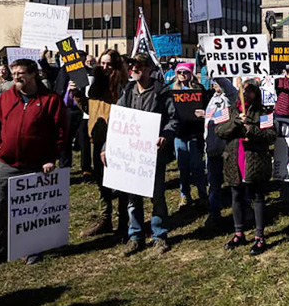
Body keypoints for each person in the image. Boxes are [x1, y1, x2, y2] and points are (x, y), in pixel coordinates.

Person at [0, 59, 67, 270]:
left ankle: (31, 249)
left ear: (33, 74)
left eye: (21, 73)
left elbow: (60, 133)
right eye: (13, 73)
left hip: (36, 166)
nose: (16, 77)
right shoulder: (6, 98)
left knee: (31, 212)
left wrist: (51, 158)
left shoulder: (51, 100)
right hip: (6, 164)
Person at [102, 53, 178, 255]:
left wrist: (165, 136)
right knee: (132, 198)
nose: (133, 69)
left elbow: (173, 120)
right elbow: (116, 123)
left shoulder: (162, 92)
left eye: (137, 66)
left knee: (157, 196)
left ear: (148, 69)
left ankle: (159, 236)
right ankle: (135, 236)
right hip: (131, 156)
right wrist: (105, 147)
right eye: (131, 66)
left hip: (153, 154)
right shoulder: (127, 91)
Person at [74, 49, 130, 239]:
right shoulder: (95, 84)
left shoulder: (123, 86)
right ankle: (106, 220)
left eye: (109, 64)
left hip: (116, 139)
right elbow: (91, 110)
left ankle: (124, 223)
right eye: (102, 63)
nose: (105, 67)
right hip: (97, 139)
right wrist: (77, 96)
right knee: (101, 181)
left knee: (119, 182)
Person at [216, 81, 276, 256]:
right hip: (235, 159)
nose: (247, 94)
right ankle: (238, 233)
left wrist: (251, 129)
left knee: (257, 197)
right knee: (236, 195)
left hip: (255, 160)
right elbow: (219, 131)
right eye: (244, 90)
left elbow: (271, 136)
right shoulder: (227, 111)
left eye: (250, 91)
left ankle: (259, 236)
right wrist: (235, 122)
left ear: (256, 94)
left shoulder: (264, 112)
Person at [196, 78, 237, 227]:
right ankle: (214, 214)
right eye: (214, 82)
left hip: (225, 148)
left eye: (218, 82)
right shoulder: (213, 98)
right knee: (213, 184)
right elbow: (213, 118)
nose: (216, 85)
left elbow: (224, 116)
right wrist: (205, 114)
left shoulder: (230, 96)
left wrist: (217, 72)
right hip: (212, 147)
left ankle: (242, 211)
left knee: (234, 181)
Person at [170, 62, 209, 211]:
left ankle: (202, 195)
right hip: (179, 133)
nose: (182, 75)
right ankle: (184, 195)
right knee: (183, 166)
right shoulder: (172, 90)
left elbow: (208, 108)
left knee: (197, 165)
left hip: (195, 133)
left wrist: (204, 113)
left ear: (191, 73)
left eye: (185, 72)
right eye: (179, 72)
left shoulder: (199, 90)